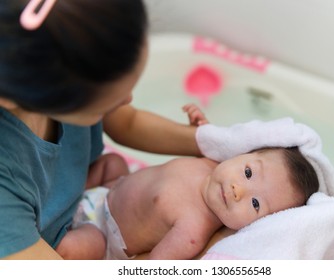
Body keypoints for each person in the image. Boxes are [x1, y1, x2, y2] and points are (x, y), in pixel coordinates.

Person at [0, 0, 205, 260]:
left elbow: (127, 122)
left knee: (114, 164)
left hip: (78, 200)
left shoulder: (67, 65)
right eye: (103, 106)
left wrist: (211, 141)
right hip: (54, 247)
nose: (128, 100)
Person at [56, 144, 319, 260]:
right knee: (112, 162)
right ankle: (63, 196)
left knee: (73, 249)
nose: (239, 190)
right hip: (111, 186)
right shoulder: (207, 161)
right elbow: (207, 137)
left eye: (256, 205)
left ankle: (44, 233)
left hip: (103, 232)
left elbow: (156, 264)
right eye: (248, 172)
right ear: (241, 154)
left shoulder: (194, 231)